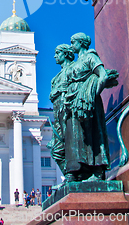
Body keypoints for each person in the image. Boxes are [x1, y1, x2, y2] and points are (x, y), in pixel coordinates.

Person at [64, 33, 118, 181]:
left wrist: (91, 94)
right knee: (79, 137)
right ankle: (85, 170)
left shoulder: (90, 57)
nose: (71, 45)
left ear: (81, 43)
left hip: (87, 102)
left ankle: (98, 171)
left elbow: (103, 75)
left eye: (73, 42)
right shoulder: (75, 63)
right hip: (75, 102)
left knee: (92, 133)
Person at [47, 44, 75, 176]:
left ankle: (72, 175)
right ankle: (69, 175)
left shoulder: (74, 68)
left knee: (71, 143)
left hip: (68, 110)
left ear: (66, 54)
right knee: (56, 149)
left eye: (58, 53)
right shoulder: (56, 78)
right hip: (57, 113)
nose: (54, 56)